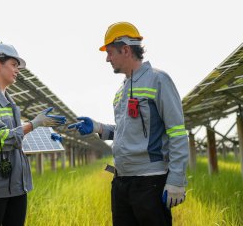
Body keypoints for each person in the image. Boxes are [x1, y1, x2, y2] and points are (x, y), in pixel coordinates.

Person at [68, 22, 188, 226]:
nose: (107, 59)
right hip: (121, 182)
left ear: (125, 49)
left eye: (110, 52)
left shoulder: (158, 80)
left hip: (150, 182)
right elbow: (125, 131)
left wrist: (176, 179)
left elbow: (176, 131)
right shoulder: (121, 90)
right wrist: (97, 127)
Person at [0, 43, 66, 226]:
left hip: (17, 183)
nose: (17, 70)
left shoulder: (10, 101)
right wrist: (34, 123)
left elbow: (17, 138)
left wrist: (47, 137)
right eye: (14, 64)